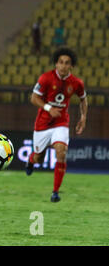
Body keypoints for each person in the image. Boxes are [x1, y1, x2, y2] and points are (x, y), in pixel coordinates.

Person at [26, 47, 87, 202]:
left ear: (71, 66)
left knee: (61, 152)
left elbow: (83, 99)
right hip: (43, 123)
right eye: (61, 62)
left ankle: (55, 192)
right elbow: (34, 98)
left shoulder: (76, 83)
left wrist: (83, 117)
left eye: (67, 63)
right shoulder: (46, 78)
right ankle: (31, 160)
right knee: (39, 157)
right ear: (56, 64)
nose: (64, 65)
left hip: (61, 122)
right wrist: (48, 108)